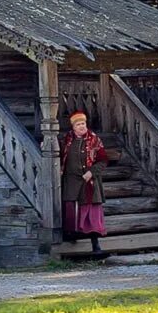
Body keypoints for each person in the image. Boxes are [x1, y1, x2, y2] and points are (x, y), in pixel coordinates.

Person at [60, 109, 109, 255]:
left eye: (83, 123)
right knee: (72, 213)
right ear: (73, 127)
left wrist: (91, 172)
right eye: (79, 124)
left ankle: (96, 246)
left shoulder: (94, 140)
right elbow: (59, 154)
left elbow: (103, 160)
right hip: (72, 182)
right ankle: (71, 236)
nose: (82, 126)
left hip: (89, 182)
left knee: (92, 215)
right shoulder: (66, 140)